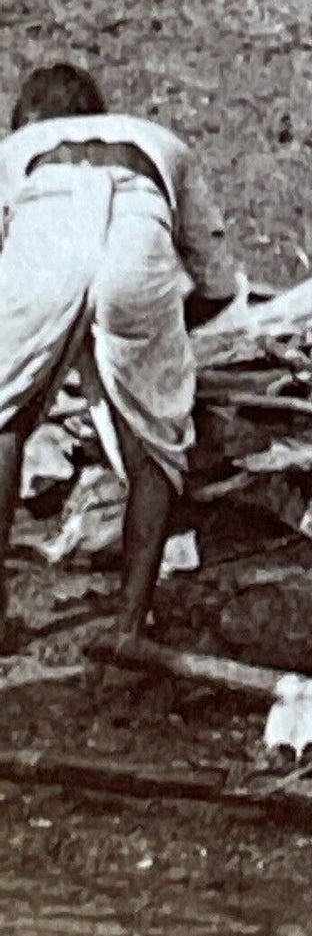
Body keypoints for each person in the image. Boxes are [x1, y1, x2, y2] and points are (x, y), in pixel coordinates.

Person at [0, 64, 238, 654]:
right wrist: (155, 345)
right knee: (155, 446)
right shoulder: (162, 143)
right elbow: (217, 284)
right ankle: (130, 624)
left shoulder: (17, 149)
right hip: (138, 242)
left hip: (47, 238)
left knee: (3, 420)